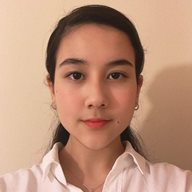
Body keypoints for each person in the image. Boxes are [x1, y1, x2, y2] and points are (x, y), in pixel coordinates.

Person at [0, 4, 192, 192]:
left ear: (137, 88)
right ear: (52, 89)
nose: (96, 98)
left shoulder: (180, 185)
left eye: (115, 75)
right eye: (76, 75)